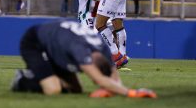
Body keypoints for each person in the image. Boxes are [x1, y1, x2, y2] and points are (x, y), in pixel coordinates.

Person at [11, 20, 157, 98]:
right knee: (52, 89)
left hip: (59, 45)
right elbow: (101, 80)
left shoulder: (104, 50)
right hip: (35, 41)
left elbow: (114, 78)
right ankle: (23, 80)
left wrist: (112, 89)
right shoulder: (80, 50)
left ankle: (50, 74)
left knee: (76, 90)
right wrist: (131, 93)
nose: (94, 82)